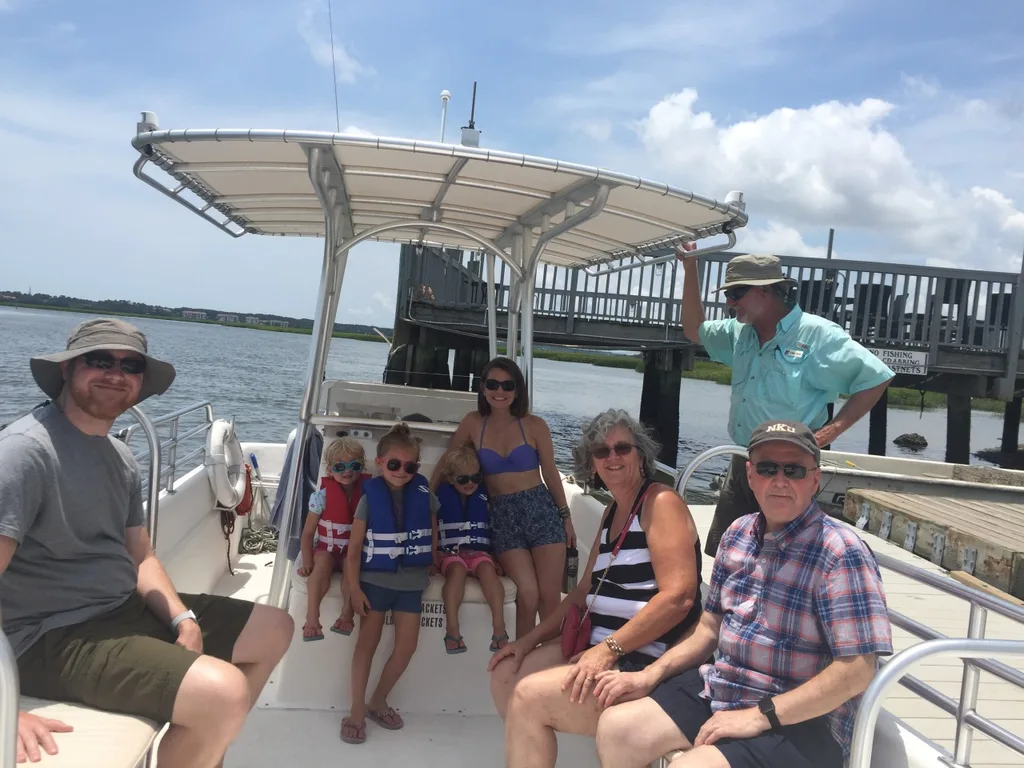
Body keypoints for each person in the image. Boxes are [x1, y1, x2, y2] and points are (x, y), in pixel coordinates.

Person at [0, 318, 294, 768]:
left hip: (118, 610)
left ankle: (200, 752)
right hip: (47, 635)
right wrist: (5, 709)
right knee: (224, 692)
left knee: (275, 628)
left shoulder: (118, 457)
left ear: (141, 380)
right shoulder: (25, 452)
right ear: (66, 370)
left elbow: (140, 554)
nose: (115, 374)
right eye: (99, 360)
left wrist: (183, 618)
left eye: (130, 365)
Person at [591, 420, 893, 768]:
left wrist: (759, 716)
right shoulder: (737, 533)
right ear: (750, 476)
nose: (779, 481)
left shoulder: (841, 552)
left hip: (805, 719)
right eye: (767, 468)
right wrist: (651, 674)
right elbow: (709, 628)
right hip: (727, 687)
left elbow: (858, 669)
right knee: (617, 728)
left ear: (814, 479)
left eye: (793, 470)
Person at [489, 409, 704, 768]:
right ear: (591, 463)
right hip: (598, 644)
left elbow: (679, 597)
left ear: (641, 454)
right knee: (506, 674)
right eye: (601, 452)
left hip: (642, 656)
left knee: (528, 696)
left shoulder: (660, 503)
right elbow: (580, 593)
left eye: (622, 448)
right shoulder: (610, 514)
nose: (612, 458)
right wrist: (528, 640)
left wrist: (608, 650)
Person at [676, 250, 895, 555]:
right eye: (728, 294)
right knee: (727, 553)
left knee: (782, 560)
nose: (730, 302)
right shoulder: (738, 333)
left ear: (765, 290)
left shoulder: (818, 335)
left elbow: (876, 377)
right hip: (743, 462)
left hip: (788, 471)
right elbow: (693, 330)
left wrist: (828, 433)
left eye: (737, 292)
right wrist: (690, 269)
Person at [433, 356, 575, 639]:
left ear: (518, 390)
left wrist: (566, 518)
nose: (500, 391)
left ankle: (550, 664)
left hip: (541, 510)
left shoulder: (535, 425)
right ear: (483, 388)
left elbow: (550, 472)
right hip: (502, 515)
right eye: (493, 384)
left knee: (549, 596)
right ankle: (520, 665)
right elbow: (446, 462)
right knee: (528, 593)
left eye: (508, 385)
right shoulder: (474, 423)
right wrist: (425, 496)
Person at [342, 423, 439, 745]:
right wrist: (354, 589)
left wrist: (434, 561)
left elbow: (432, 532)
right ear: (380, 462)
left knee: (406, 646)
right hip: (375, 582)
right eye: (394, 465)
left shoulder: (424, 494)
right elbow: (354, 550)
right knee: (366, 646)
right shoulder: (370, 499)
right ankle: (356, 710)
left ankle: (378, 700)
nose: (402, 472)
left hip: (411, 583)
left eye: (410, 467)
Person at [435, 445, 508, 655]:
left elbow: (493, 529)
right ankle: (452, 629)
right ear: (450, 479)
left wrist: (496, 558)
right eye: (462, 479)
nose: (470, 484)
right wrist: (431, 555)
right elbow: (429, 524)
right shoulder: (440, 495)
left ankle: (499, 629)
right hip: (450, 553)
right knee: (456, 571)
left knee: (488, 570)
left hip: (478, 553)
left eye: (475, 478)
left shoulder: (485, 497)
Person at [297, 437, 368, 641]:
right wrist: (308, 560)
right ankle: (312, 618)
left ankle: (347, 613)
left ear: (362, 467)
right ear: (329, 470)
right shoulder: (321, 497)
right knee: (321, 565)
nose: (347, 471)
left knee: (350, 568)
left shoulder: (368, 495)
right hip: (326, 549)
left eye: (354, 465)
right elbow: (308, 532)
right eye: (339, 466)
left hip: (351, 552)